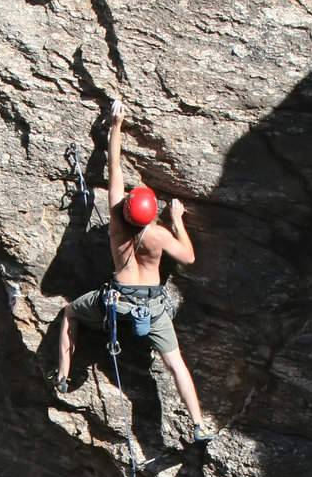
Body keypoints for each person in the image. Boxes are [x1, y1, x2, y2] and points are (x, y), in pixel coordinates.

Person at [55, 98, 213, 442]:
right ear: (152, 213)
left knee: (70, 313)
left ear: (127, 210)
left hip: (116, 303)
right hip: (152, 308)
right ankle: (199, 424)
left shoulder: (116, 225)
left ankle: (64, 375)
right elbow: (187, 257)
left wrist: (115, 127)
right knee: (176, 365)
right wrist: (176, 221)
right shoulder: (158, 235)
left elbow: (115, 169)